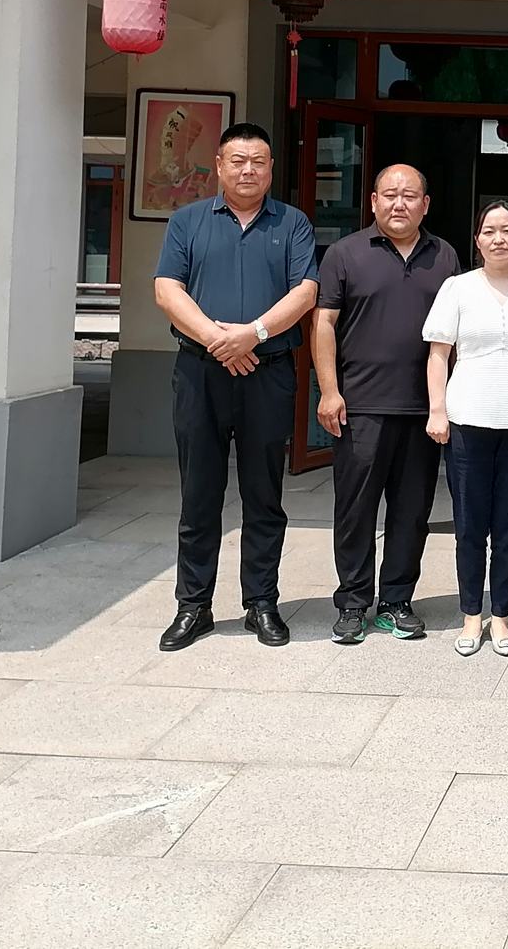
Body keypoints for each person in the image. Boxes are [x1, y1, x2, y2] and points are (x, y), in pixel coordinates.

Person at [151, 122, 318, 651]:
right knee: (199, 493)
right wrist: (218, 340)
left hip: (267, 373)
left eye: (258, 161)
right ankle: (193, 605)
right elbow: (167, 289)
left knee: (264, 494)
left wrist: (253, 335)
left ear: (271, 168)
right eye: (238, 161)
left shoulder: (292, 223)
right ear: (219, 166)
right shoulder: (188, 221)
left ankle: (261, 603)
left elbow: (305, 291)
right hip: (200, 373)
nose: (248, 170)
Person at [314, 165, 459, 645]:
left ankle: (397, 600)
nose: (400, 203)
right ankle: (353, 602)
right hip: (360, 407)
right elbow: (324, 324)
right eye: (390, 194)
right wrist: (329, 390)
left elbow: (455, 334)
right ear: (373, 200)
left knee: (411, 511)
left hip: (422, 410)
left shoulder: (445, 256)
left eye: (410, 195)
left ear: (425, 204)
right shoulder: (345, 253)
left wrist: (448, 401)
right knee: (355, 510)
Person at [423, 200, 508, 657]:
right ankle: (470, 615)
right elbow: (438, 354)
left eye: (507, 230)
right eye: (489, 231)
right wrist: (437, 410)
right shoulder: (457, 287)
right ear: (477, 240)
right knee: (469, 524)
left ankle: (500, 615)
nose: (498, 238)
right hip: (467, 419)